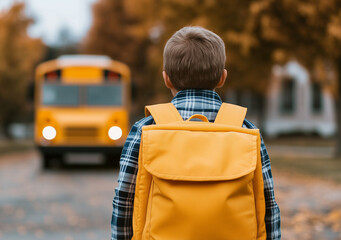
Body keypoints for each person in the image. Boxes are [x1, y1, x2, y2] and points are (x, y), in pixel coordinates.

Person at [111, 26, 281, 240]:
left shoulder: (146, 129)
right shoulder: (245, 129)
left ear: (166, 79)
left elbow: (124, 200)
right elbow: (268, 203)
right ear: (222, 78)